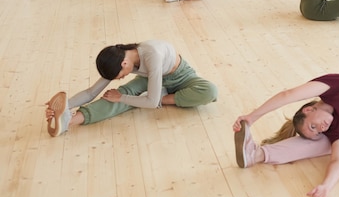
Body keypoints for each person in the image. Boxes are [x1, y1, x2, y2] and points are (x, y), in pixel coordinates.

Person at [45, 40, 218, 137]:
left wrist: (123, 98)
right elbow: (92, 92)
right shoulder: (118, 58)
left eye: (119, 76)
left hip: (180, 75)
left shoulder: (153, 56)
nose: (120, 78)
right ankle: (68, 121)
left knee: (210, 91)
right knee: (124, 94)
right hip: (149, 79)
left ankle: (163, 98)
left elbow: (150, 103)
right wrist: (65, 105)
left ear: (124, 64)